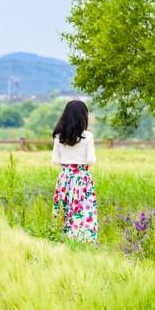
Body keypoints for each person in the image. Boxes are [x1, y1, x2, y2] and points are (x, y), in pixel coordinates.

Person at [51, 99, 99, 243]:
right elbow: (91, 160)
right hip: (82, 177)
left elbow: (55, 160)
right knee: (83, 210)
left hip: (65, 177)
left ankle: (63, 239)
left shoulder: (59, 137)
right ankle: (84, 240)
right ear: (83, 117)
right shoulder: (88, 136)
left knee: (65, 208)